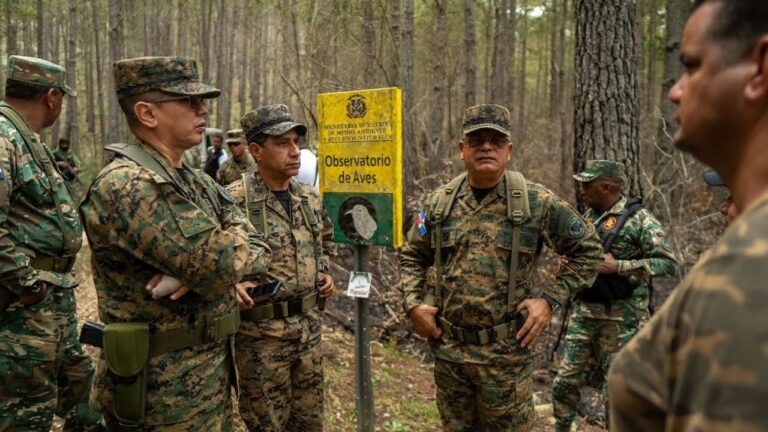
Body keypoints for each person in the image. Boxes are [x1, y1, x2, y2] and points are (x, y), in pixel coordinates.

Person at [79, 56, 271, 430]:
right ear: (147, 113)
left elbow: (260, 249)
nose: (203, 109)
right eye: (187, 101)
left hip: (208, 376)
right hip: (159, 391)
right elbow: (219, 261)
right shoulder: (127, 184)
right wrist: (215, 270)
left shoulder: (195, 180)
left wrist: (208, 270)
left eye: (201, 100)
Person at [609, 1, 768, 430]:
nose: (676, 90)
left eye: (693, 66)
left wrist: (622, 266)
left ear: (760, 69)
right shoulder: (742, 249)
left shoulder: (751, 271)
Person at [399, 104, 603, 431]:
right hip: (451, 357)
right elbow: (412, 253)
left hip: (506, 360)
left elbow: (589, 250)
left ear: (509, 150)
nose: (486, 147)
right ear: (462, 149)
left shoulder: (536, 202)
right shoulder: (437, 205)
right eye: (477, 139)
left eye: (496, 140)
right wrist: (413, 304)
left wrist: (549, 301)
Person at [0, 55, 104, 430]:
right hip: (22, 309)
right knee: (25, 411)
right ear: (51, 97)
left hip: (51, 301)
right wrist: (26, 283)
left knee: (80, 400)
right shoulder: (3, 136)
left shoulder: (27, 139)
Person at [226, 104, 334, 432]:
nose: (295, 151)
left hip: (309, 335)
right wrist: (229, 287)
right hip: (261, 342)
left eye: (296, 142)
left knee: (309, 423)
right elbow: (208, 259)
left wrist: (325, 271)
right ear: (256, 151)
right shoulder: (234, 200)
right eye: (283, 143)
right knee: (267, 425)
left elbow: (324, 241)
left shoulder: (310, 198)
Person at [551, 160, 678, 431]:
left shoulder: (640, 220)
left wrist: (619, 266)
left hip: (622, 319)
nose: (582, 189)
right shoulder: (588, 217)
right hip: (585, 315)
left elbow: (668, 264)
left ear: (606, 187)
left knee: (616, 391)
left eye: (588, 184)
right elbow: (582, 257)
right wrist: (569, 263)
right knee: (564, 384)